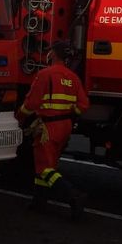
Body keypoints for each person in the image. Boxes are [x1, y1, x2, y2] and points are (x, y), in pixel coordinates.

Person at [16, 40, 89, 220]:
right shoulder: (73, 77)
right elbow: (83, 106)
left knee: (44, 168)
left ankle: (74, 196)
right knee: (49, 165)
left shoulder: (45, 74)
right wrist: (69, 112)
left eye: (49, 52)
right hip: (65, 126)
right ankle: (39, 201)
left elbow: (31, 104)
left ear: (53, 54)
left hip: (48, 127)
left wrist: (19, 117)